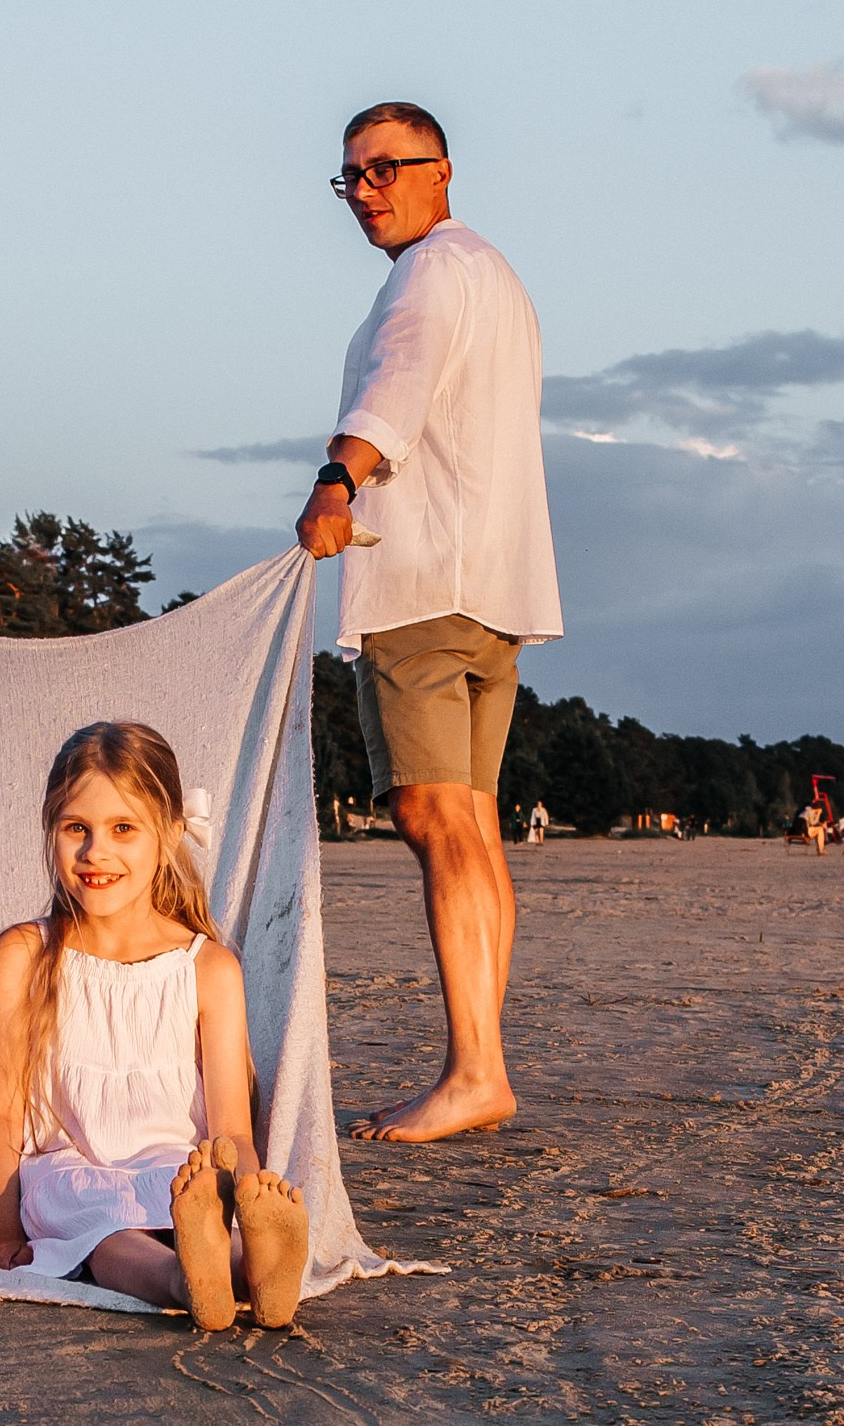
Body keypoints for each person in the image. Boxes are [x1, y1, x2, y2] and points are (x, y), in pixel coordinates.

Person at [296, 102, 563, 1144]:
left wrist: (336, 480)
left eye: (386, 169)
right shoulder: (497, 275)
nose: (366, 192)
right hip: (495, 584)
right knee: (473, 822)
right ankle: (481, 1063)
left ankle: (475, 1069)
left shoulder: (427, 274)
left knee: (432, 816)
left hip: (424, 581)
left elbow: (394, 389)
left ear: (441, 170)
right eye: (351, 177)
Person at [0, 722, 310, 1331]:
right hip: (70, 1171)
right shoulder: (25, 954)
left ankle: (255, 1265)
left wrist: (245, 1193)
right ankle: (189, 1280)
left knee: (195, 1209)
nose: (95, 852)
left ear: (170, 833)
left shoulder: (208, 967)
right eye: (76, 828)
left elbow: (232, 1128)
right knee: (102, 1230)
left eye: (123, 829)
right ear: (51, 830)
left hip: (181, 1173)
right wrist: (2, 1231)